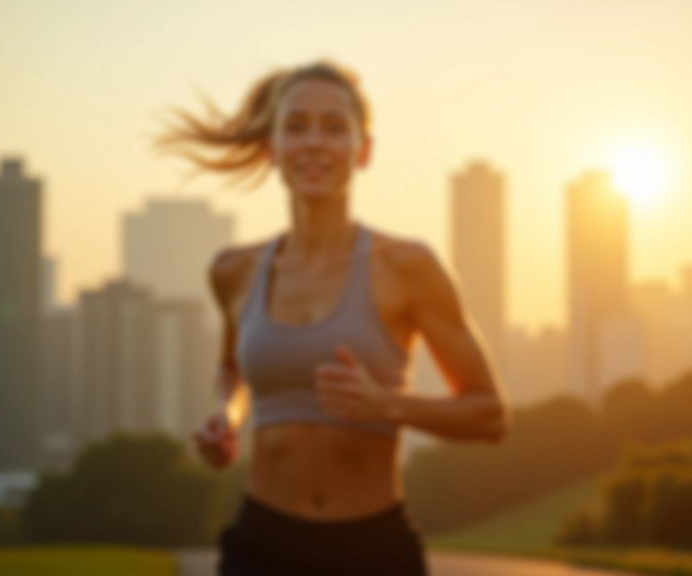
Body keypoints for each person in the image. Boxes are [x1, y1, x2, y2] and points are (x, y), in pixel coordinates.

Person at [157, 61, 509, 576]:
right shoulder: (232, 271)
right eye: (295, 126)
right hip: (261, 546)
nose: (314, 142)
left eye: (334, 127)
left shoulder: (408, 267)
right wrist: (227, 419)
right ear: (273, 150)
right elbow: (232, 368)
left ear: (363, 151)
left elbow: (489, 415)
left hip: (372, 550)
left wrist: (383, 404)